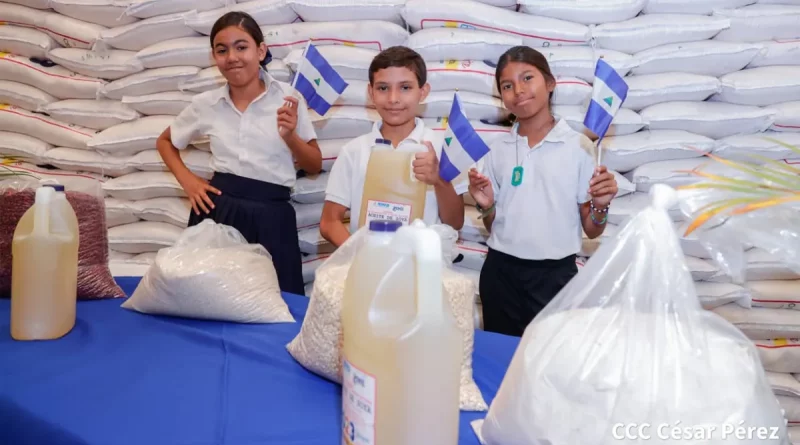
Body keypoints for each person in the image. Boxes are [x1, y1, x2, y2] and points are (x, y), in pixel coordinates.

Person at [155, 11, 320, 295]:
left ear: (261, 50)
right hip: (219, 210)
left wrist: (290, 136)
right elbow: (165, 142)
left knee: (278, 301)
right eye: (222, 50)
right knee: (208, 299)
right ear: (214, 57)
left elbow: (314, 164)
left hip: (272, 215)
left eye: (241, 47)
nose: (232, 57)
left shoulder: (289, 100)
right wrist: (189, 181)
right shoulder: (206, 104)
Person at [468, 46, 619, 337]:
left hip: (554, 277)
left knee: (547, 362)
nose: (518, 91)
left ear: (550, 84)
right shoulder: (497, 151)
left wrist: (600, 205)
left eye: (528, 78)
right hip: (500, 273)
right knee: (503, 361)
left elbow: (593, 229)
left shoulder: (579, 147)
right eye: (507, 85)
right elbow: (492, 224)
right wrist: (487, 207)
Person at [319, 46, 467, 247]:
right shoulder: (354, 151)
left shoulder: (441, 149)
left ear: (423, 92)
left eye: (405, 87)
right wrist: (358, 255)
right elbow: (329, 222)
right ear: (370, 92)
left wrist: (439, 180)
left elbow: (455, 222)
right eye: (383, 88)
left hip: (423, 269)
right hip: (367, 268)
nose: (393, 99)